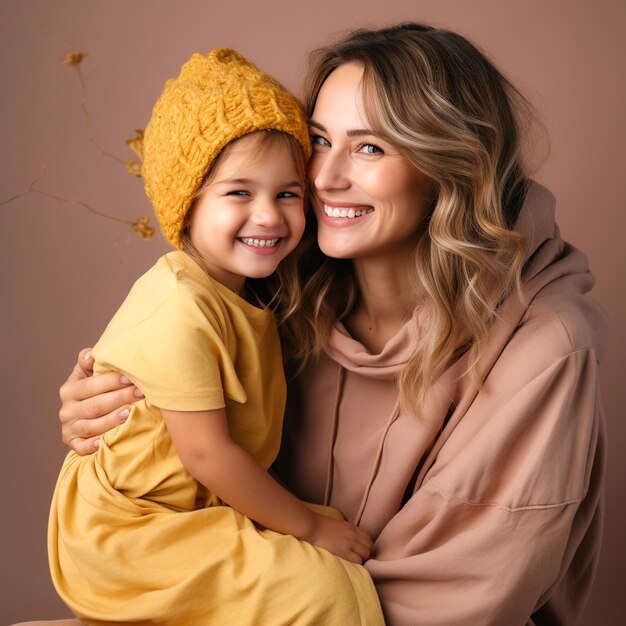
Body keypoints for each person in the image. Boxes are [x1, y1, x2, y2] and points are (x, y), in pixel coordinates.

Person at [56, 23, 610, 625]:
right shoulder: (276, 285)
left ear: (449, 164)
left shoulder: (544, 347)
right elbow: (186, 434)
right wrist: (114, 410)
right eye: (318, 140)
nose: (323, 177)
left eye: (370, 147)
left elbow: (462, 598)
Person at [47, 48, 384, 625]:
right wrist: (306, 528)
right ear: (188, 204)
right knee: (320, 583)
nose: (269, 217)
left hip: (189, 508)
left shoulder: (250, 289)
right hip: (132, 527)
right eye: (238, 193)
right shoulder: (179, 307)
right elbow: (207, 453)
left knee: (339, 563)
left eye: (287, 193)